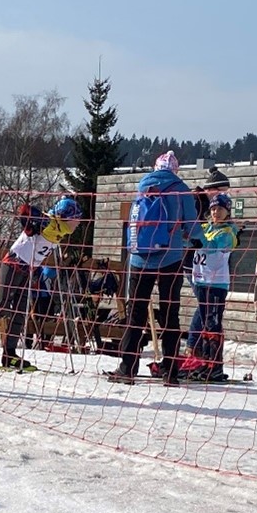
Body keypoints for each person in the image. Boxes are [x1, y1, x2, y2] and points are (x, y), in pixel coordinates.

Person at [107, 151, 197, 384]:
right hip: (171, 257)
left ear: (155, 168)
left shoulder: (143, 185)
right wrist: (199, 241)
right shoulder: (181, 190)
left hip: (139, 257)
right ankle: (170, 372)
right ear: (176, 170)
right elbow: (192, 226)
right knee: (170, 314)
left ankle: (127, 368)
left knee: (135, 314)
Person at [0, 197, 82, 370]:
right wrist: (34, 223)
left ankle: (9, 353)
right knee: (2, 305)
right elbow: (24, 211)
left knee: (21, 311)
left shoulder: (61, 229)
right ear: (66, 216)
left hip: (28, 269)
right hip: (14, 264)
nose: (78, 223)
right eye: (76, 219)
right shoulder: (49, 222)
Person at [180, 193, 239, 382]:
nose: (216, 212)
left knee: (213, 323)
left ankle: (215, 365)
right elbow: (190, 237)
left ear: (227, 211)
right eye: (213, 209)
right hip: (201, 280)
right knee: (205, 324)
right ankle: (205, 362)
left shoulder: (228, 231)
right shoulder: (206, 227)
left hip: (216, 283)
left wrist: (200, 241)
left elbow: (216, 246)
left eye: (220, 209)